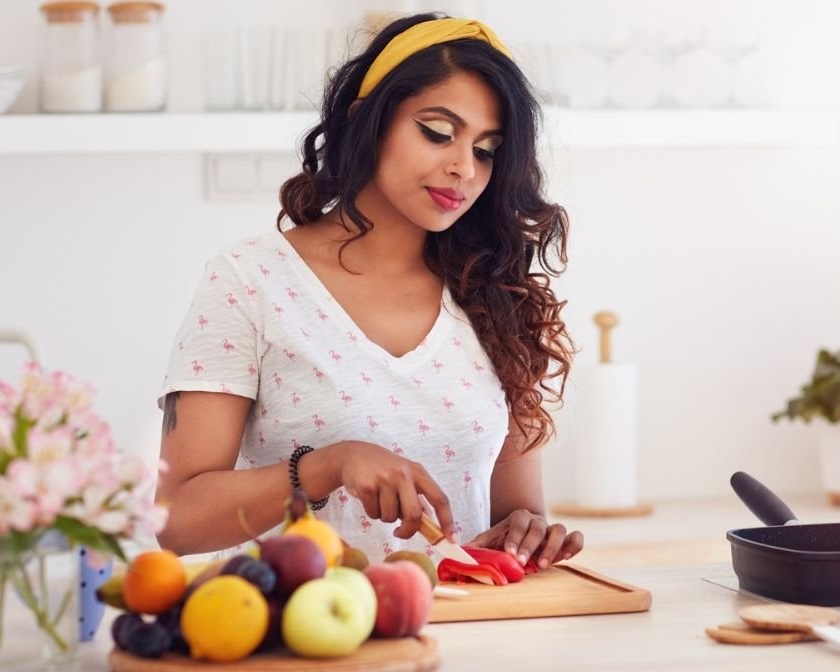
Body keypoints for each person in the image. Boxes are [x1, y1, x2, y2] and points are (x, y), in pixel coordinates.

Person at [154, 13, 582, 572]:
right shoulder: (250, 281)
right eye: (437, 132)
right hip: (305, 645)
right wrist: (327, 466)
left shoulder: (499, 294)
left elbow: (513, 514)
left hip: (469, 639)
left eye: (486, 150)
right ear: (368, 121)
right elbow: (176, 521)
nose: (462, 168)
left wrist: (529, 532)